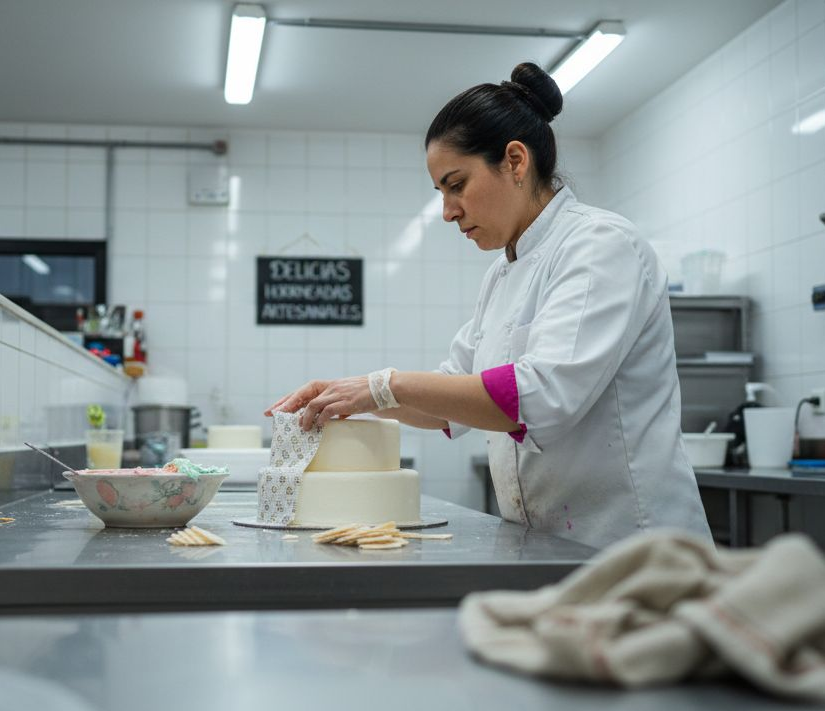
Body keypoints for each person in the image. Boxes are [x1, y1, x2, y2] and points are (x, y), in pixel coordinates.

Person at [266, 62, 710, 548]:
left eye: (456, 184)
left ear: (515, 161)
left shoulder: (600, 245)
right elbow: (447, 405)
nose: (447, 211)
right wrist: (351, 395)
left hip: (631, 544)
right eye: (440, 192)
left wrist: (384, 385)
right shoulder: (501, 276)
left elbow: (541, 396)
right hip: (548, 545)